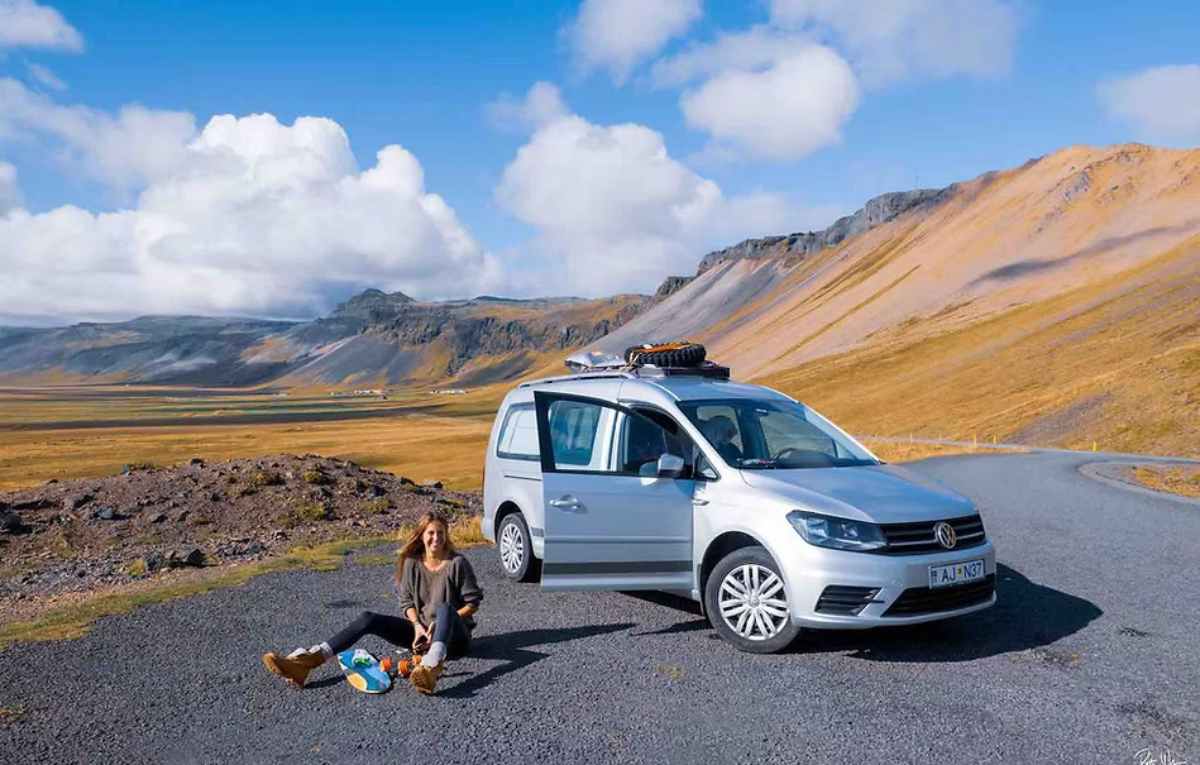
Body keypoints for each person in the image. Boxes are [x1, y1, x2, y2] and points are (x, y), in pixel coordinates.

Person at [261, 511, 483, 695]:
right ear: (421, 535)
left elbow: (473, 602)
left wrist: (440, 624)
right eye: (431, 533)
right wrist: (417, 626)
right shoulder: (412, 563)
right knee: (368, 619)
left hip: (455, 639)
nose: (436, 538)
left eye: (441, 533)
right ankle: (308, 662)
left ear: (447, 535)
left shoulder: (457, 563)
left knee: (445, 608)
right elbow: (406, 601)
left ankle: (432, 666)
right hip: (423, 635)